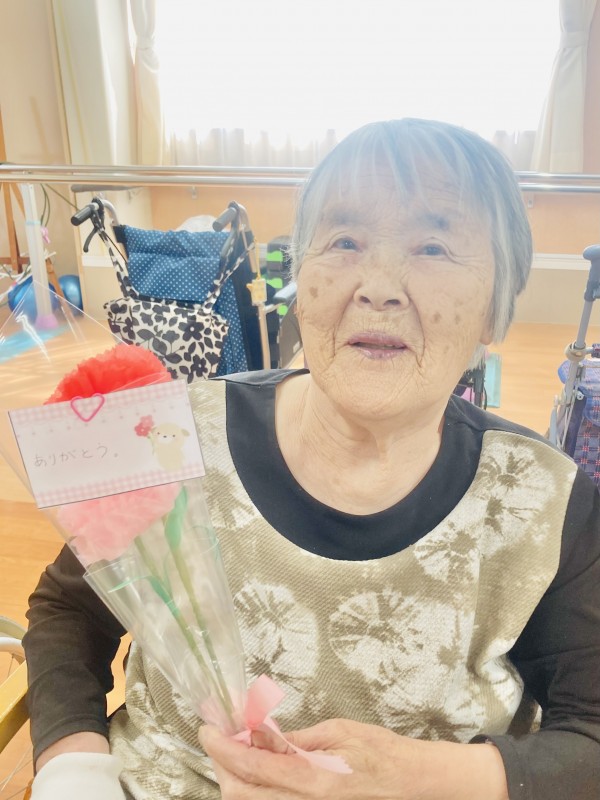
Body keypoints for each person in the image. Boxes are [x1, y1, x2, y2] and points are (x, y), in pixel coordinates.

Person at [24, 118, 600, 800]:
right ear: (301, 280)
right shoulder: (175, 432)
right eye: (345, 241)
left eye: (434, 247)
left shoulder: (543, 502)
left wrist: (414, 778)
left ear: (495, 311)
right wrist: (75, 771)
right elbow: (68, 612)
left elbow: (590, 731)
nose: (378, 286)